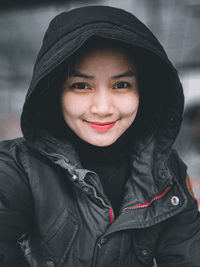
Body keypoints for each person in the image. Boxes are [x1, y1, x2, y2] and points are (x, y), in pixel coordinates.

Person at [0, 5, 200, 267]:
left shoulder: (167, 171)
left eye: (121, 85)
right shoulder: (15, 169)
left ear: (143, 92)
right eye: (81, 86)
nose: (103, 108)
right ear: (55, 93)